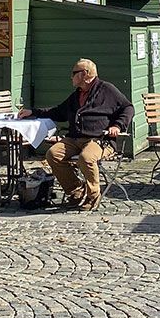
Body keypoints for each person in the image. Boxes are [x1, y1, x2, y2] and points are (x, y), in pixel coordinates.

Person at [19, 59, 133, 212]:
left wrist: (117, 125)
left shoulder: (107, 89)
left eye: (74, 73)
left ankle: (93, 196)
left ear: (85, 74)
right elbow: (58, 111)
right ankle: (76, 191)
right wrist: (33, 112)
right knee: (53, 154)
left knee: (86, 158)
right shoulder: (77, 95)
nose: (71, 77)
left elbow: (128, 107)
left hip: (99, 139)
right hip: (74, 138)